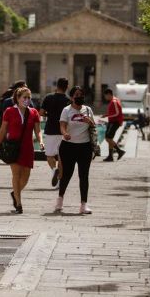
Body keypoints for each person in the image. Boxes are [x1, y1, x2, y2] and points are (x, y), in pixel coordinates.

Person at [0, 86, 44, 214]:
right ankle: (19, 204)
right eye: (24, 97)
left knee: (25, 177)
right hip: (13, 147)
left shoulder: (33, 112)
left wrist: (41, 141)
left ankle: (15, 193)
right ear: (18, 98)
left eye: (29, 98)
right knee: (16, 174)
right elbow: (3, 130)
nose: (27, 100)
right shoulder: (9, 111)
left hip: (28, 148)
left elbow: (38, 130)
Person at [56, 87, 96, 215]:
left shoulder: (88, 110)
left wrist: (89, 121)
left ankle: (83, 204)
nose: (80, 97)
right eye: (77, 95)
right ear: (72, 97)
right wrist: (65, 133)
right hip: (68, 146)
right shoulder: (66, 110)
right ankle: (60, 199)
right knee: (67, 174)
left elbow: (93, 126)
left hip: (84, 147)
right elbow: (62, 125)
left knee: (84, 176)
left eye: (82, 94)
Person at [40, 78, 71, 189]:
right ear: (67, 87)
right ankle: (59, 182)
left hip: (50, 130)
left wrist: (50, 114)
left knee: (49, 155)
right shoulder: (68, 100)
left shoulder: (48, 97)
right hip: (63, 131)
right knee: (61, 157)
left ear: (56, 86)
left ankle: (54, 170)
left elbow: (41, 113)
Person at [101, 88, 126, 162]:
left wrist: (107, 116)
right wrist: (107, 115)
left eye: (105, 96)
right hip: (112, 121)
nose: (105, 97)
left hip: (115, 122)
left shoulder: (114, 101)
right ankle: (110, 156)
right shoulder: (113, 101)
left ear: (108, 94)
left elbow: (118, 113)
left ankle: (119, 151)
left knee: (108, 138)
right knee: (109, 138)